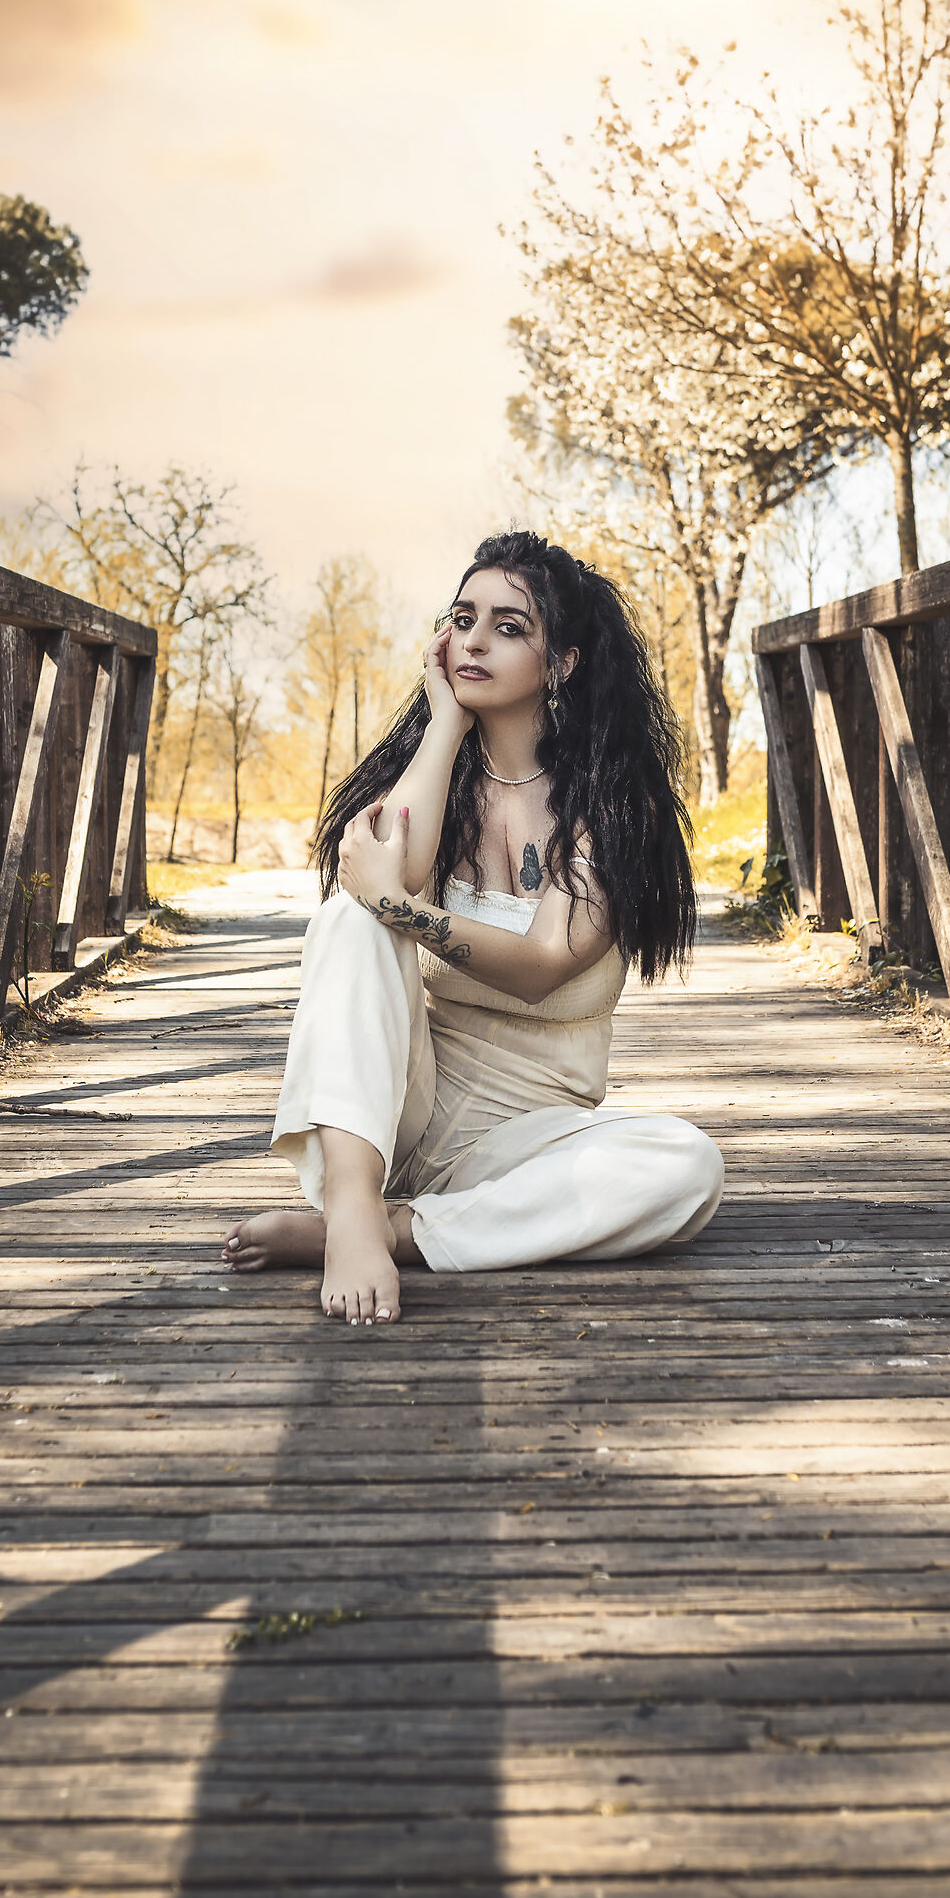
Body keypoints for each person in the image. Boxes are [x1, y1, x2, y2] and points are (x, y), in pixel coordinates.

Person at [221, 531, 725, 1324]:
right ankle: (354, 1211)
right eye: (462, 619)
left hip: (525, 1145)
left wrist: (401, 906)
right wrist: (445, 722)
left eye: (510, 626)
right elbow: (385, 874)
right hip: (392, 1119)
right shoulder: (436, 777)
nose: (475, 640)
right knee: (350, 920)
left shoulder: (613, 805)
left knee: (685, 1167)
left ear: (562, 664)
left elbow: (543, 964)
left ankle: (400, 1231)